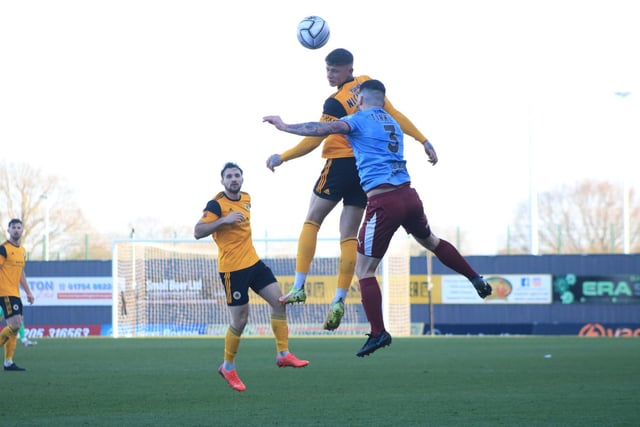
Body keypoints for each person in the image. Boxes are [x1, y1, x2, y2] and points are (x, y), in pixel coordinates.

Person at [264, 79, 493, 357]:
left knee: (365, 271)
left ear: (361, 99)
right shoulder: (392, 123)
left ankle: (378, 332)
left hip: (383, 202)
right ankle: (475, 277)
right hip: (410, 196)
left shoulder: (358, 120)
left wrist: (284, 126)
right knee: (431, 241)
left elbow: (322, 129)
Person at [266, 48, 436, 332]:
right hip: (363, 171)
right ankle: (339, 299)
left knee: (312, 220)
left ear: (348, 69)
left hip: (339, 166)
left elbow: (315, 137)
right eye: (328, 70)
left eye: (334, 70)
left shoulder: (335, 102)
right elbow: (396, 115)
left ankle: (298, 286)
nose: (330, 75)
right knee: (348, 236)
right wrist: (423, 140)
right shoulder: (368, 86)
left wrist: (283, 155)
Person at [194, 162, 309, 392]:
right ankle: (228, 367)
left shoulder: (246, 197)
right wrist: (223, 221)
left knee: (279, 302)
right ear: (223, 181)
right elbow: (198, 231)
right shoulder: (216, 204)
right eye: (229, 176)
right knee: (240, 321)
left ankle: (283, 354)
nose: (234, 179)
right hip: (232, 270)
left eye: (237, 175)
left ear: (242, 179)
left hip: (254, 263)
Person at [0, 219, 36, 371]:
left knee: (14, 328)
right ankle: (8, 361)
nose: (16, 230)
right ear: (8, 230)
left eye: (18, 227)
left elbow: (21, 274)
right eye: (13, 227)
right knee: (15, 324)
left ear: (22, 231)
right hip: (5, 291)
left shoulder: (22, 251)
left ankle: (8, 362)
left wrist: (28, 292)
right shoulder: (3, 249)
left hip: (15, 293)